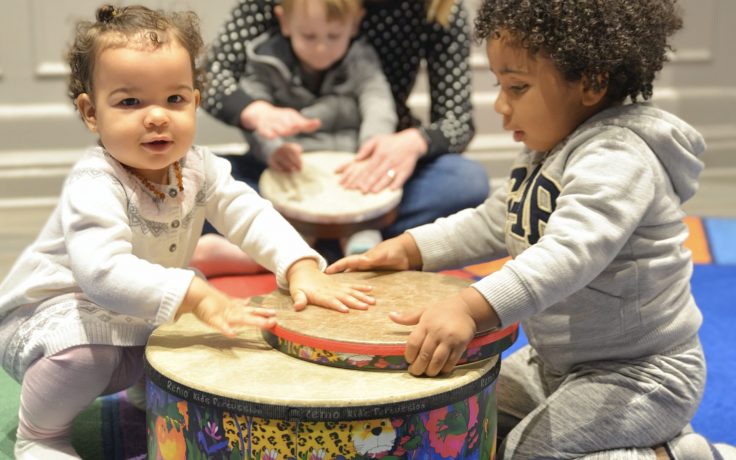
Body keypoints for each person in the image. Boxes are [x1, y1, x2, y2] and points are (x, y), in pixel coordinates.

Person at [327, 0, 736, 458]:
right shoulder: (547, 152)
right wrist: (409, 248)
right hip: (554, 367)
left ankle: (681, 455)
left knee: (527, 453)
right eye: (500, 86)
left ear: (592, 81)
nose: (501, 106)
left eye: (517, 87)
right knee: (463, 414)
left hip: (642, 374)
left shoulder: (619, 158)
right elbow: (493, 220)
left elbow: (567, 255)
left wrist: (469, 306)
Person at [0, 5, 374, 459]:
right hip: (58, 313)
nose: (157, 117)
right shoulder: (94, 182)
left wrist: (299, 266)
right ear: (91, 112)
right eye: (130, 102)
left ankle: (146, 381)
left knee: (193, 330)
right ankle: (40, 434)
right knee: (100, 349)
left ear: (195, 101)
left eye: (174, 99)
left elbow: (249, 211)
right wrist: (198, 298)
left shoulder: (199, 167)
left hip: (133, 307)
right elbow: (103, 274)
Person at [192, 0, 491, 274]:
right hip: (288, 170)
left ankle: (287, 248)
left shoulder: (431, 14)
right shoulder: (267, 48)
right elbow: (211, 77)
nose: (321, 48)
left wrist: (406, 143)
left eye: (333, 36)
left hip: (366, 171)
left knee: (466, 181)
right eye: (309, 37)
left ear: (354, 22)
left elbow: (456, 121)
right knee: (194, 180)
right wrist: (259, 117)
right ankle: (334, 247)